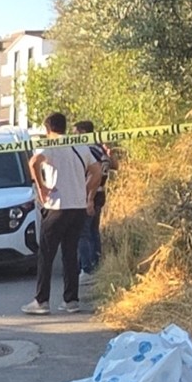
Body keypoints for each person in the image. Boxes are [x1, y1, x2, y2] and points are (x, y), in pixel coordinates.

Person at [22, 113, 102, 315]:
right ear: (65, 127)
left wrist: (41, 188)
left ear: (48, 129)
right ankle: (71, 300)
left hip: (57, 206)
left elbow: (33, 163)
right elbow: (97, 170)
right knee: (70, 253)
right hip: (77, 207)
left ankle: (41, 301)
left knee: (46, 255)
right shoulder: (79, 145)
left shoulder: (50, 145)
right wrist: (87, 192)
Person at [73, 120, 119, 284]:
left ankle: (87, 269)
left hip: (91, 193)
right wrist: (109, 153)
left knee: (83, 232)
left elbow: (95, 174)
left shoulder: (89, 149)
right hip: (100, 193)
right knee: (93, 231)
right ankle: (97, 265)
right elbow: (115, 166)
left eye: (76, 133)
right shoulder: (100, 148)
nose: (74, 136)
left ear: (83, 132)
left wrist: (89, 199)